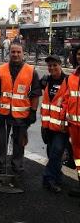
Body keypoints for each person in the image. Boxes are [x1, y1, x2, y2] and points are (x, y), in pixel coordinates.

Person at [0, 42, 42, 175]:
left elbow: (35, 94)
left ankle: (17, 166)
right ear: (9, 53)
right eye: (13, 52)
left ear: (23, 53)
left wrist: (33, 112)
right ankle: (0, 165)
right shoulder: (1, 70)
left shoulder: (31, 71)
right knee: (1, 141)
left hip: (22, 115)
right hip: (2, 113)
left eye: (18, 52)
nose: (15, 54)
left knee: (20, 142)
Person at [40, 55, 68, 193]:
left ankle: (48, 179)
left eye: (54, 65)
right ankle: (58, 175)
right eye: (50, 65)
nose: (52, 68)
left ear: (60, 64)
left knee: (56, 152)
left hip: (61, 127)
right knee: (51, 153)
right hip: (47, 126)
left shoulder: (68, 81)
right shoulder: (46, 80)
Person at [63, 45, 80, 197]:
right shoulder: (72, 77)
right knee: (78, 158)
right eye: (79, 54)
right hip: (74, 126)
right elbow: (67, 99)